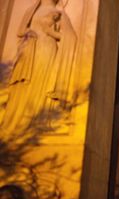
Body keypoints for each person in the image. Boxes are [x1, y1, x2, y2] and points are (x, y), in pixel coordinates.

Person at [1, 0, 76, 137]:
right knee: (23, 86)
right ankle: (16, 122)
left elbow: (70, 37)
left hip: (47, 49)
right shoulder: (33, 9)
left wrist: (50, 32)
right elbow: (20, 31)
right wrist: (29, 32)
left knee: (39, 85)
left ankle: (35, 120)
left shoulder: (60, 13)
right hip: (29, 51)